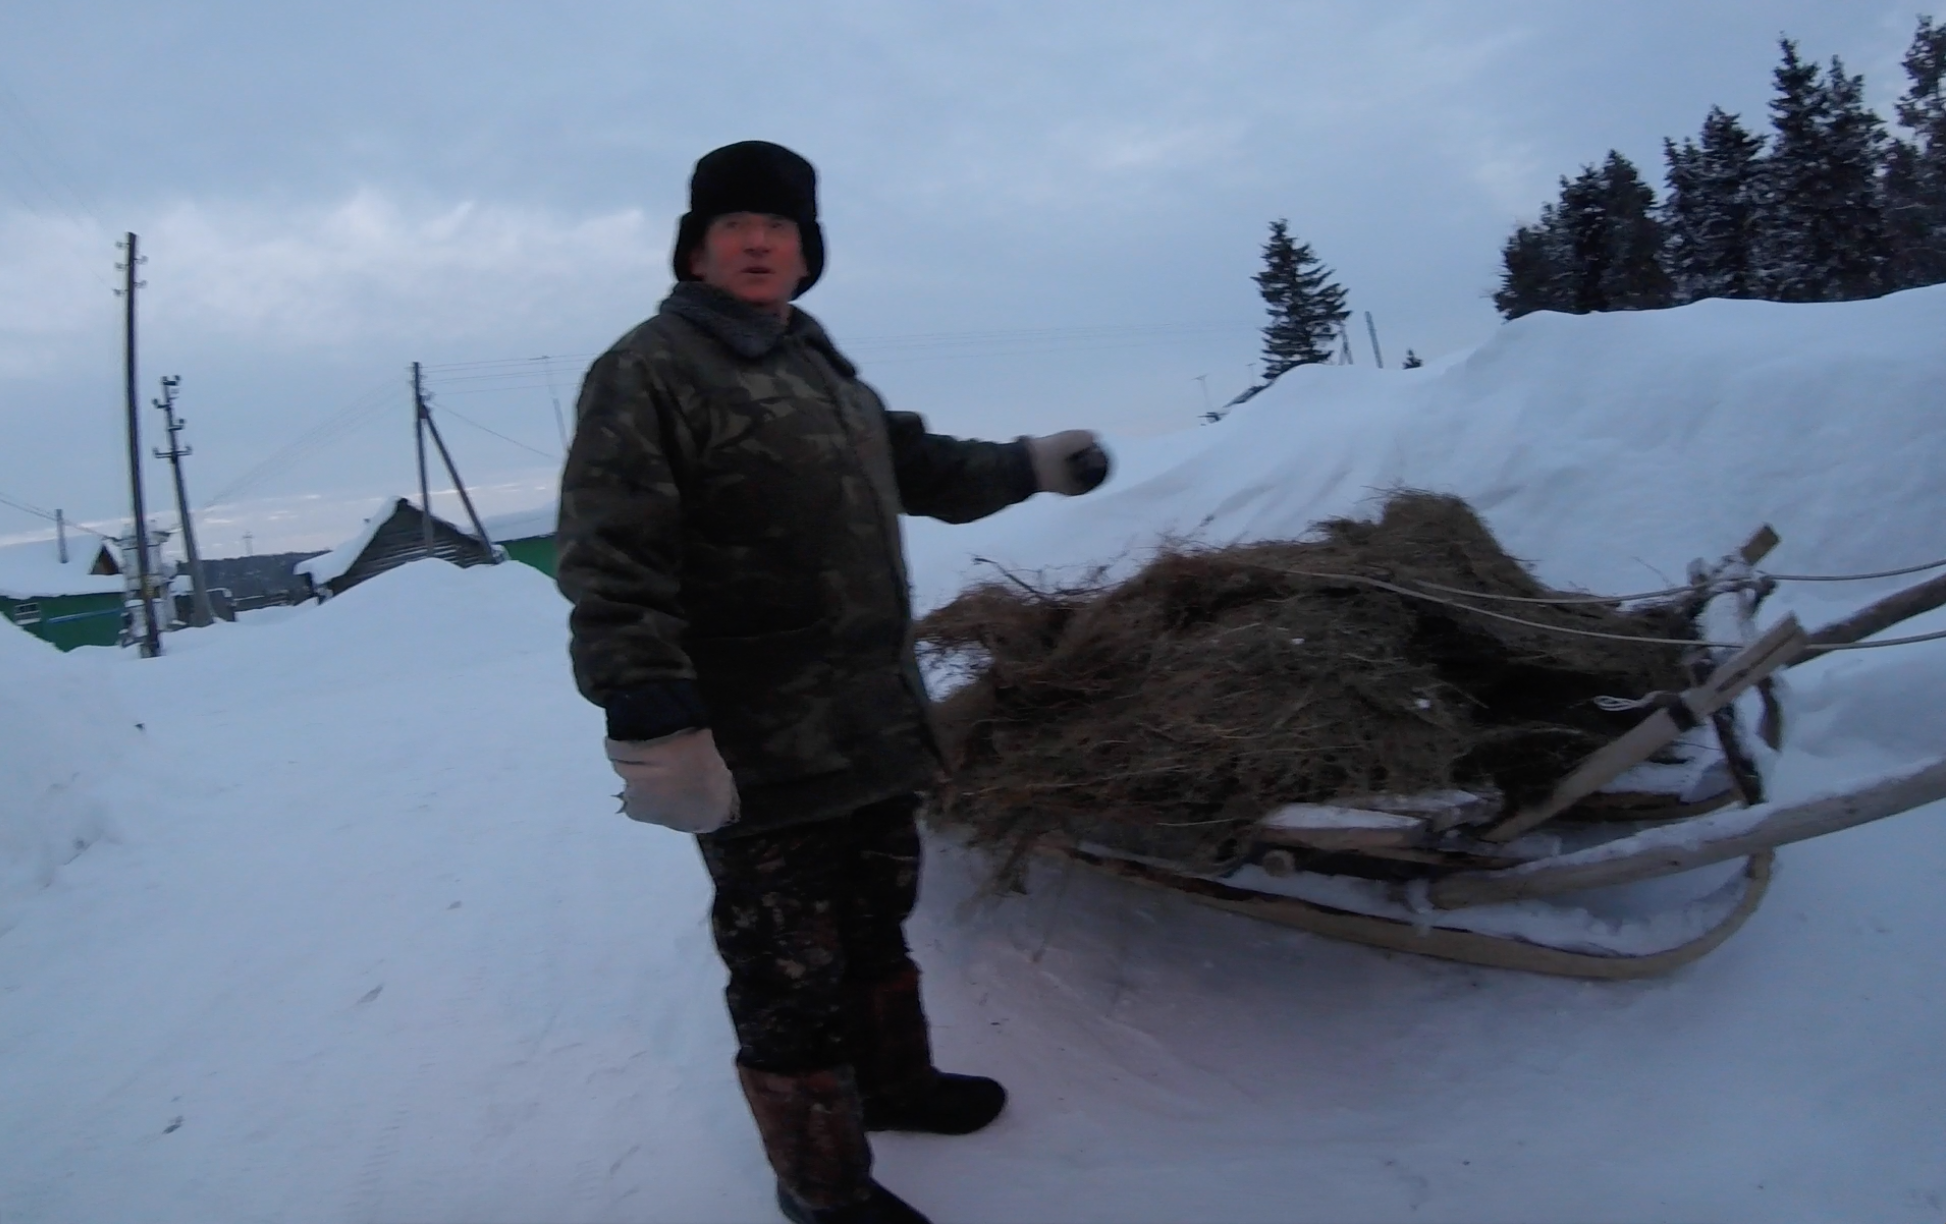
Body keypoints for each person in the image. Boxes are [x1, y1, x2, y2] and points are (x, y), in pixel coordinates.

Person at [556, 140, 1109, 1224]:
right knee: (784, 969)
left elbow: (918, 465)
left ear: (806, 255)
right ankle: (821, 1187)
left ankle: (892, 1084)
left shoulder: (817, 364)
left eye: (781, 227)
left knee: (873, 920)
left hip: (866, 724)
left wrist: (1029, 463)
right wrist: (643, 699)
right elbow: (611, 551)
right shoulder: (648, 370)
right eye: (734, 225)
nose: (759, 240)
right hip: (757, 745)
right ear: (696, 249)